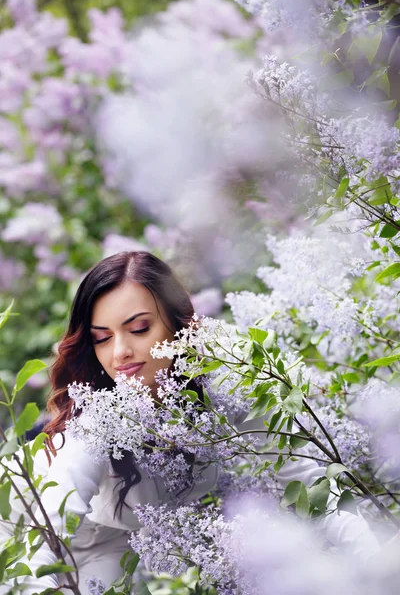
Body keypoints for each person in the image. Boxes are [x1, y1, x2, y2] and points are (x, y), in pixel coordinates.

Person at [0, 251, 380, 595]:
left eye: (138, 329)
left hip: (112, 541)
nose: (119, 353)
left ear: (177, 325)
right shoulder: (99, 418)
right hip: (20, 532)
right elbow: (45, 536)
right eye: (101, 338)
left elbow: (306, 482)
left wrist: (377, 563)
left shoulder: (227, 375)